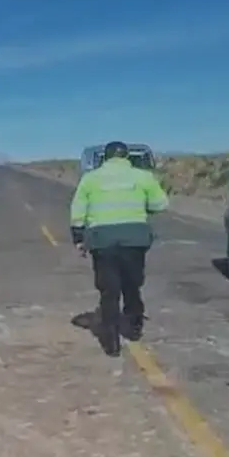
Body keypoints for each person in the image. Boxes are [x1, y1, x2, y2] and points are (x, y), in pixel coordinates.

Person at [69, 141, 168, 357]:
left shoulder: (91, 179)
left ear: (105, 157)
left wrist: (78, 237)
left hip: (102, 239)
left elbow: (77, 211)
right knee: (132, 283)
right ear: (127, 157)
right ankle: (134, 324)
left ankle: (111, 339)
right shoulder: (143, 177)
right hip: (134, 238)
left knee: (109, 290)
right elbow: (160, 204)